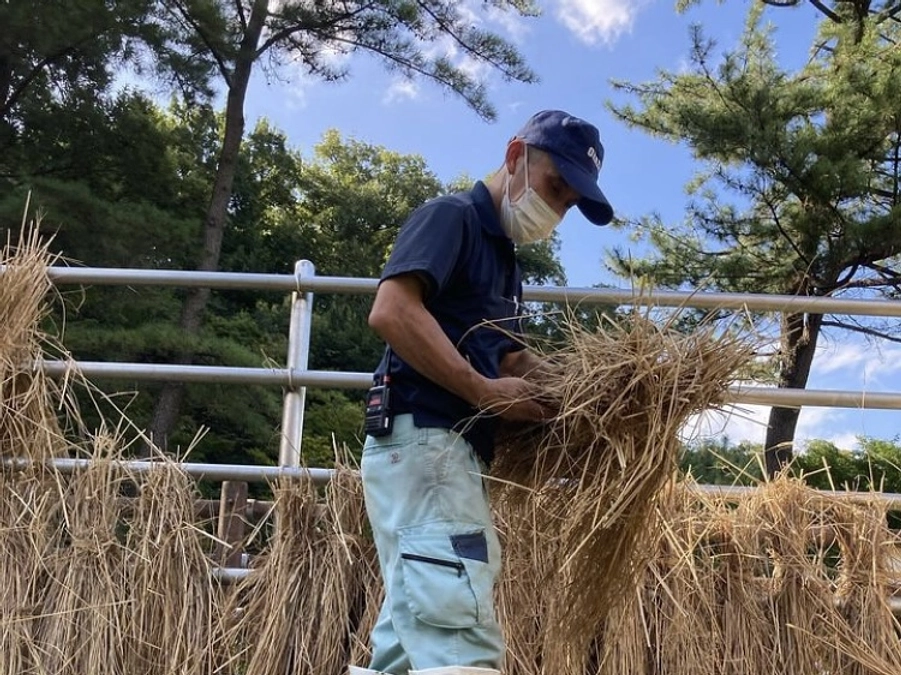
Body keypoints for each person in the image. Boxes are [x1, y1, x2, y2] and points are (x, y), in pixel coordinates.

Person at [350, 110, 613, 675]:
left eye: (568, 202)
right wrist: (483, 392)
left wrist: (589, 392)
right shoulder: (453, 218)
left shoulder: (505, 263)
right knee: (457, 632)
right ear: (516, 155)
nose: (557, 207)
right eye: (555, 186)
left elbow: (511, 357)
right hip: (427, 438)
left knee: (409, 634)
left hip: (433, 452)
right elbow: (393, 311)